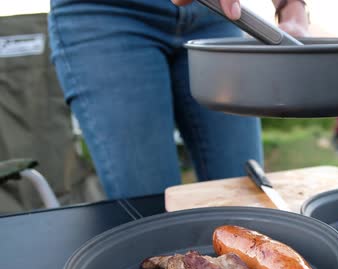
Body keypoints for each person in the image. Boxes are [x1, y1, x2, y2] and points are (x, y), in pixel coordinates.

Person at [48, 0, 309, 199]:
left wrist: (291, 6)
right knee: (151, 208)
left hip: (214, 14)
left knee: (245, 197)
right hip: (105, 16)